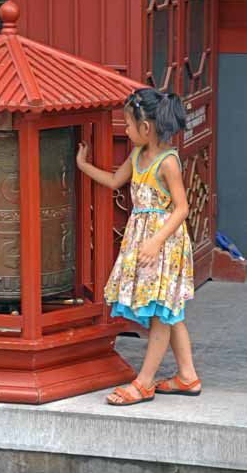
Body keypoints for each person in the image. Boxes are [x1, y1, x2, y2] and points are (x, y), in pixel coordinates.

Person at [76, 88, 201, 406]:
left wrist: (156, 241)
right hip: (144, 241)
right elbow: (114, 181)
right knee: (170, 311)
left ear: (146, 127)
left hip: (163, 244)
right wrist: (82, 165)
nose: (126, 130)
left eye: (128, 125)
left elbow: (182, 208)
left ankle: (144, 383)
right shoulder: (137, 156)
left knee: (161, 312)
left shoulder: (168, 162)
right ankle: (187, 377)